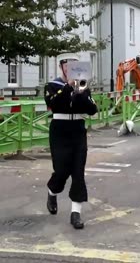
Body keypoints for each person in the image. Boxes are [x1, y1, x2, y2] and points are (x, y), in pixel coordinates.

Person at [44, 53, 98, 229]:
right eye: (69, 66)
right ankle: (52, 190)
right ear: (62, 67)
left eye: (76, 66)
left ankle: (76, 213)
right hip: (60, 131)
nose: (72, 69)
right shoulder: (52, 86)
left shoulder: (83, 87)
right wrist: (68, 88)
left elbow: (92, 110)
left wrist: (81, 92)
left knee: (78, 172)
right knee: (61, 171)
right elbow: (54, 104)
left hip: (78, 131)